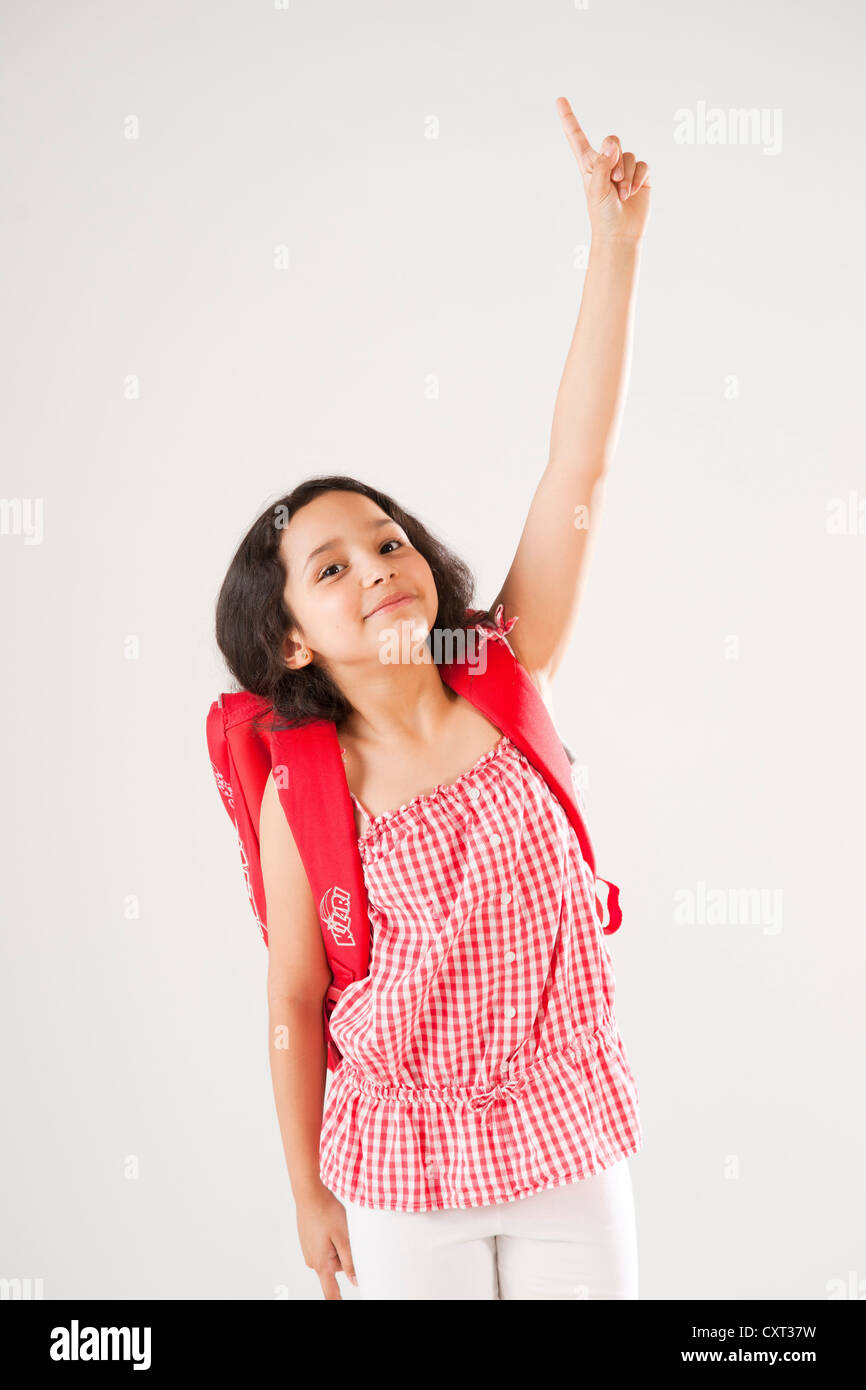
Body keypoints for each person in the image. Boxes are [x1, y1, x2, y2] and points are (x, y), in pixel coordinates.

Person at [213, 99, 651, 1300]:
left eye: (388, 540)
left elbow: (578, 465)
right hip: (399, 1163)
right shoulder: (307, 784)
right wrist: (308, 1192)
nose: (378, 569)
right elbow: (296, 999)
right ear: (290, 641)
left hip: (564, 1128)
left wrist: (612, 246)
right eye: (331, 567)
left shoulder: (503, 668)